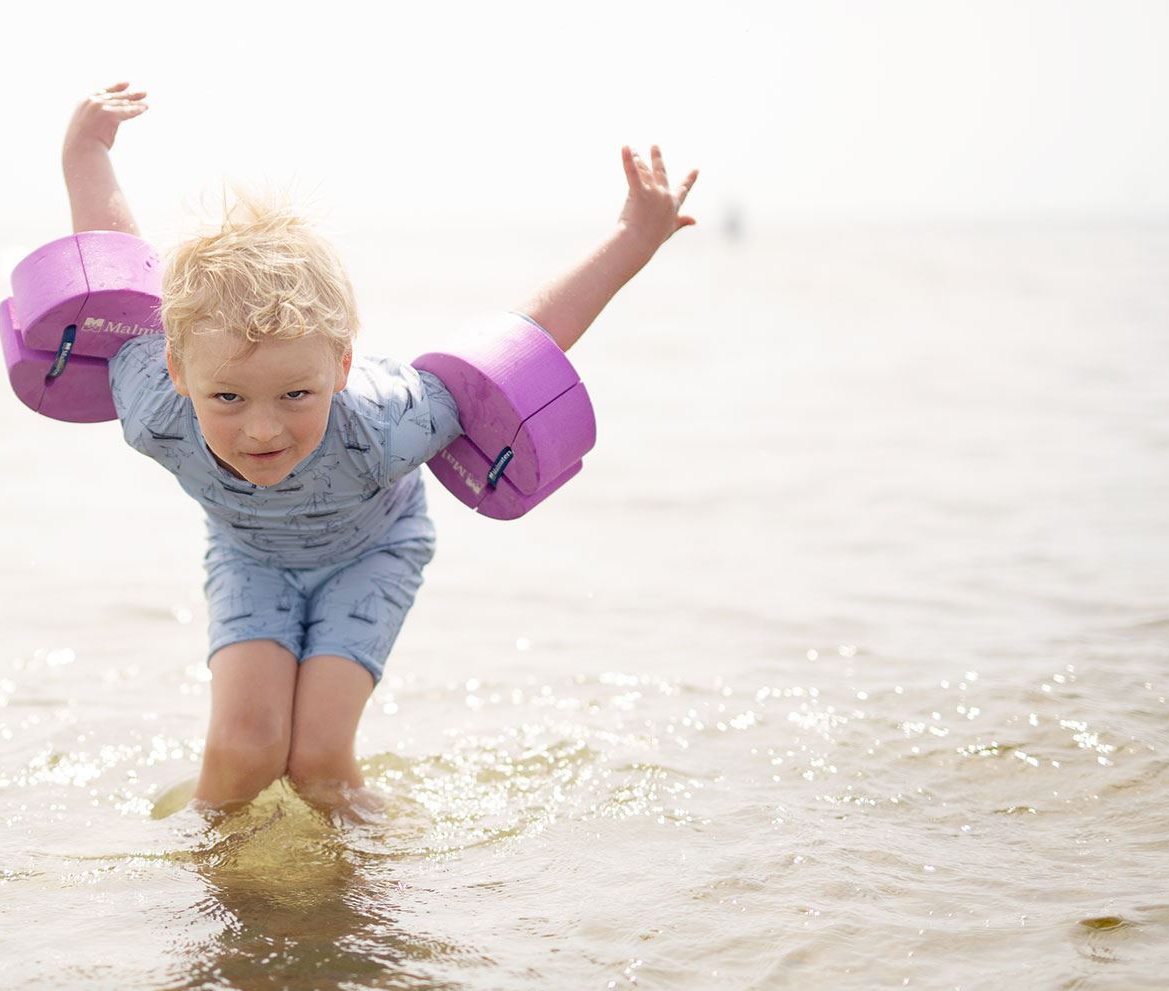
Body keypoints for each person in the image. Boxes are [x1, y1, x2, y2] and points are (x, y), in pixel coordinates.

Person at [61, 82, 697, 820]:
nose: (263, 431)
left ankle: (366, 900)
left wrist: (633, 237)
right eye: (229, 399)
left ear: (339, 367)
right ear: (179, 373)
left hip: (373, 550)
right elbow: (116, 280)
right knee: (243, 748)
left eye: (296, 396)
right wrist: (87, 151)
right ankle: (215, 905)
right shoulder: (154, 408)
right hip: (250, 555)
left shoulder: (388, 423)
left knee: (317, 764)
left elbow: (523, 341)